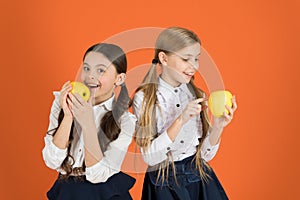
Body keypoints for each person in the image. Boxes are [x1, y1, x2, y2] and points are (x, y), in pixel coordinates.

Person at [133, 27, 237, 200]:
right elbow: (150, 157)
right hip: (163, 183)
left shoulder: (197, 94)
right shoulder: (144, 98)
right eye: (186, 59)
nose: (194, 66)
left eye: (196, 59)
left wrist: (218, 126)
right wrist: (181, 119)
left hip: (198, 178)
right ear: (164, 58)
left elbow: (204, 155)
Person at [42, 43, 136, 200]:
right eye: (86, 68)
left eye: (100, 70)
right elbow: (52, 161)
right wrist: (68, 116)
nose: (90, 76)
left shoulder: (125, 121)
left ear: (119, 78)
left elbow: (97, 175)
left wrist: (87, 124)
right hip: (67, 191)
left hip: (105, 193)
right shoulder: (62, 101)